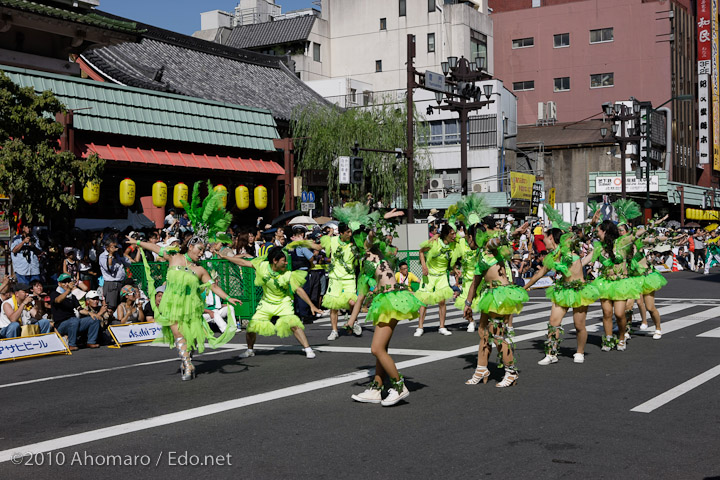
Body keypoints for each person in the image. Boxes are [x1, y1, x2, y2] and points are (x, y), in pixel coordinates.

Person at [134, 181, 241, 381]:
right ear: (190, 247)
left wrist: (229, 297)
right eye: (199, 249)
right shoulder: (174, 257)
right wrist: (138, 242)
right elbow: (156, 249)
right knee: (179, 336)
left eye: (203, 250)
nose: (202, 253)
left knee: (190, 340)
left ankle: (188, 359)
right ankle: (188, 365)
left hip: (191, 307)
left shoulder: (200, 270)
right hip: (172, 304)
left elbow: (213, 286)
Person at [349, 229, 424, 406]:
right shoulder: (364, 262)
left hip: (391, 300)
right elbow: (360, 296)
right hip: (387, 300)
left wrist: (372, 230)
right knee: (381, 349)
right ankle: (376, 389)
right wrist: (351, 321)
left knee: (376, 349)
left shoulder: (374, 251)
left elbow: (370, 237)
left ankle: (399, 387)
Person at [524, 207, 598, 365]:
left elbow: (581, 234)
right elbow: (539, 274)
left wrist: (592, 224)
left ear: (551, 237)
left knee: (579, 325)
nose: (542, 240)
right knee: (553, 322)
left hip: (579, 290)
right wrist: (524, 287)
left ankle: (579, 351)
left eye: (544, 237)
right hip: (563, 290)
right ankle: (551, 354)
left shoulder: (569, 245)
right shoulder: (551, 257)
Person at [221, 246, 321, 359]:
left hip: (283, 302)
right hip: (266, 303)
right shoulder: (262, 266)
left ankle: (308, 349)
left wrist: (312, 305)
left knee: (294, 324)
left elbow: (299, 290)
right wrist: (225, 257)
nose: (286, 263)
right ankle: (250, 350)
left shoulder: (287, 274)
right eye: (284, 261)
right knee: (251, 327)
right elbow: (243, 262)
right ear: (275, 261)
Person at [463, 224, 529, 387]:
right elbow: (475, 283)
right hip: (490, 294)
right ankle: (481, 369)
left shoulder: (488, 248)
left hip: (500, 295)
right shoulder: (479, 255)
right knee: (483, 332)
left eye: (467, 237)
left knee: (497, 335)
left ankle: (511, 372)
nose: (466, 240)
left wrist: (513, 234)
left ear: (473, 237)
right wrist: (468, 303)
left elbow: (497, 241)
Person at [414, 224, 456, 337]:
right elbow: (421, 251)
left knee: (442, 301)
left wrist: (455, 269)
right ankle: (420, 327)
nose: (454, 236)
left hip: (442, 276)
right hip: (430, 275)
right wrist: (424, 266)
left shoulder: (453, 244)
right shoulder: (435, 242)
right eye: (452, 234)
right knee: (424, 301)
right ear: (446, 234)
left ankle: (442, 326)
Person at [320, 221, 359, 340]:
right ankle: (334, 331)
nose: (350, 234)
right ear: (341, 233)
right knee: (333, 305)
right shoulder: (332, 240)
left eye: (351, 232)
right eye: (347, 232)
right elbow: (319, 247)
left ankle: (354, 323)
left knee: (352, 302)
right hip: (335, 277)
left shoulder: (355, 243)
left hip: (349, 277)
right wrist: (301, 243)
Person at [51, 273, 101, 350]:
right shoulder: (54, 294)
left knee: (94, 319)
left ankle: (91, 341)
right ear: (59, 284)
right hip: (61, 325)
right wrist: (68, 290)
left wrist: (90, 313)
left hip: (74, 322)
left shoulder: (72, 296)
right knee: (73, 320)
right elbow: (58, 300)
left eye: (68, 281)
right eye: (64, 282)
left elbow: (80, 309)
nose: (67, 284)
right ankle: (71, 344)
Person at [98, 239, 133, 312]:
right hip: (111, 284)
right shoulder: (103, 256)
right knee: (111, 306)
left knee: (120, 305)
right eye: (113, 247)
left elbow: (128, 264)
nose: (115, 248)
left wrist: (121, 255)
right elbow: (109, 268)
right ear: (107, 247)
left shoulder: (117, 255)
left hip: (120, 283)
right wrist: (110, 255)